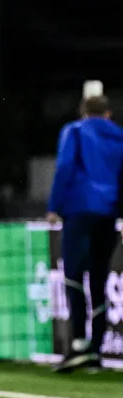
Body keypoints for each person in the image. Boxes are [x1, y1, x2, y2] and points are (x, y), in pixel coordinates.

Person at [48, 94, 123, 373]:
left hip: (79, 210)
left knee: (74, 276)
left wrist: (55, 205)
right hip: (108, 213)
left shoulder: (75, 131)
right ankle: (96, 349)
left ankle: (78, 343)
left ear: (83, 112)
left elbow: (65, 166)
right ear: (108, 114)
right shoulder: (119, 136)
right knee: (99, 279)